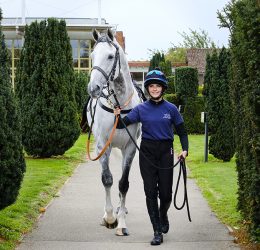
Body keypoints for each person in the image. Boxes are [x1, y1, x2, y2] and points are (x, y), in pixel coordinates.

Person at [114, 69, 188, 246]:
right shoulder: (141, 109)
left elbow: (182, 132)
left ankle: (163, 215)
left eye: (158, 86)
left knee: (166, 194)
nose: (155, 89)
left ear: (163, 88)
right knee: (150, 192)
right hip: (147, 152)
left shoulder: (171, 109)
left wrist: (185, 150)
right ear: (148, 88)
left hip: (165, 152)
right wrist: (118, 116)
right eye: (152, 86)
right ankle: (156, 231)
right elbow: (123, 124)